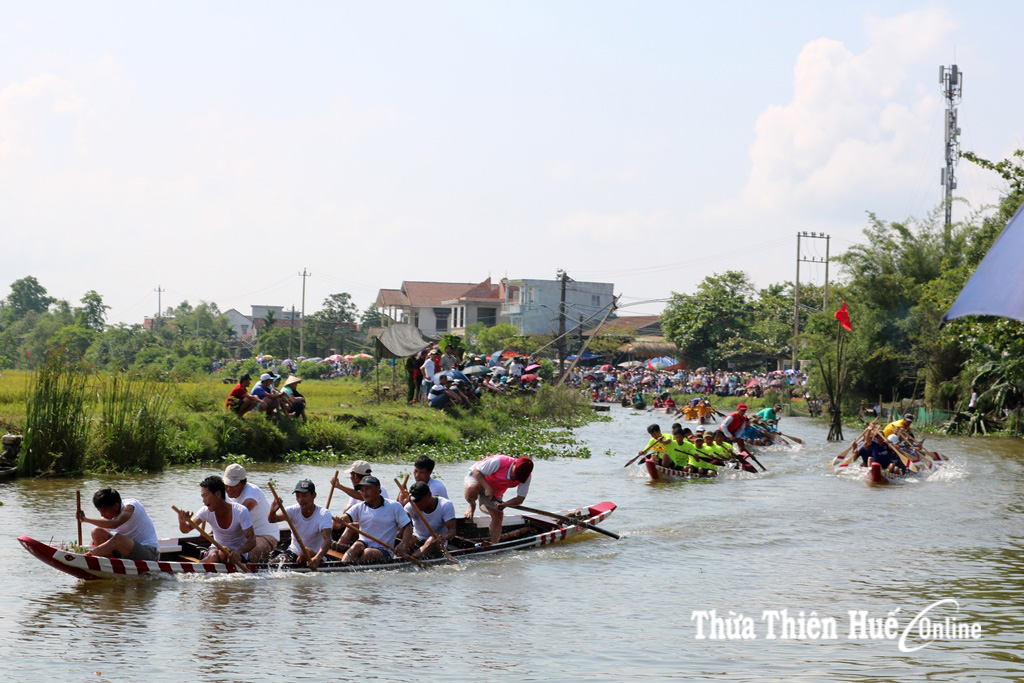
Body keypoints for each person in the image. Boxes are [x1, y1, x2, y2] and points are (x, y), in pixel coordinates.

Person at [177, 475, 256, 564]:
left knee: (224, 552)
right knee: (216, 556)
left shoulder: (240, 511)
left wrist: (239, 551)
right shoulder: (205, 511)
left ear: (218, 494)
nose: (203, 501)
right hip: (215, 551)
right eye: (202, 496)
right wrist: (182, 521)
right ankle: (198, 566)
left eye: (205, 495)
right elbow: (186, 529)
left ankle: (198, 566)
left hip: (237, 554)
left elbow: (252, 540)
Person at [334, 476, 413, 563]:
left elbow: (408, 527)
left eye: (367, 489)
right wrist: (338, 521)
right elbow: (344, 518)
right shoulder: (359, 507)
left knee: (368, 552)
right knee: (355, 547)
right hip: (363, 543)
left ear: (378, 489)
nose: (364, 493)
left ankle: (354, 569)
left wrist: (403, 544)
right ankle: (343, 566)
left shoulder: (394, 506)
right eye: (362, 490)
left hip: (385, 549)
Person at [463, 454, 533, 545]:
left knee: (498, 517)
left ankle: (494, 544)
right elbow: (477, 471)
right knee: (472, 490)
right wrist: (487, 487)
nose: (515, 478)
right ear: (514, 463)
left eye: (518, 478)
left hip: (496, 488)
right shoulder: (499, 462)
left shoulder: (527, 477)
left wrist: (505, 504)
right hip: (477, 476)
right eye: (515, 474)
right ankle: (472, 506)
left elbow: (520, 498)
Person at [77, 488, 160, 561]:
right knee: (96, 532)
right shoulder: (111, 514)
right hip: (126, 551)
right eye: (100, 511)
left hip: (149, 553)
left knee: (118, 539)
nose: (102, 515)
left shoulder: (130, 507)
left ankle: (88, 556)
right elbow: (98, 536)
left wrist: (85, 519)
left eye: (103, 511)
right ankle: (108, 562)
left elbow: (115, 524)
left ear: (116, 506)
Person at [268, 479, 333, 570]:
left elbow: (328, 540)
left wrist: (317, 558)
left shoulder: (323, 514)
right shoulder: (293, 510)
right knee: (272, 565)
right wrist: (272, 510)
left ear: (314, 496)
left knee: (305, 551)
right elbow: (272, 520)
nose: (300, 500)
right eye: (298, 496)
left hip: (314, 554)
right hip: (293, 552)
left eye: (304, 496)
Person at [223, 464, 279, 562]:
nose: (229, 489)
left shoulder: (252, 492)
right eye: (227, 485)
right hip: (242, 537)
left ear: (243, 483)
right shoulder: (225, 493)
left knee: (243, 556)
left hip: (264, 536)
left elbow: (239, 514)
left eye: (234, 485)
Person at [403, 481, 457, 559]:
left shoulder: (445, 505)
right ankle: (397, 557)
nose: (417, 504)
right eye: (415, 501)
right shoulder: (411, 505)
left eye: (419, 501)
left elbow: (452, 531)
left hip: (436, 542)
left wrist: (444, 537)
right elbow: (402, 524)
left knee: (431, 539)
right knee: (408, 539)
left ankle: (414, 557)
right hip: (417, 538)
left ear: (429, 495)